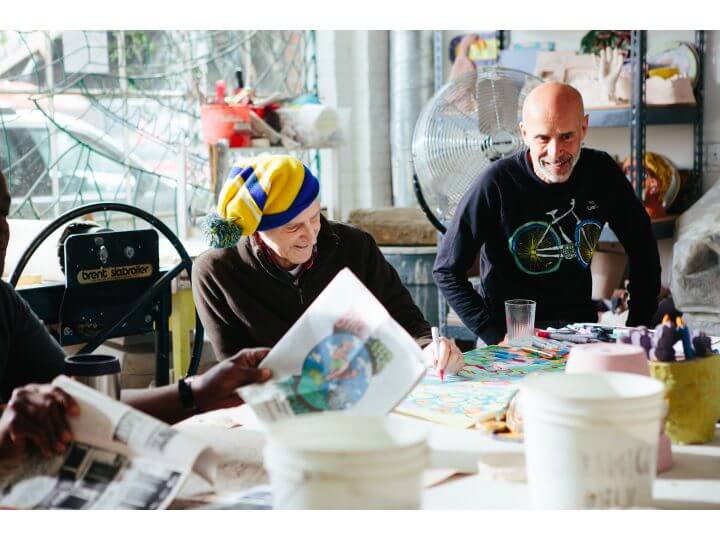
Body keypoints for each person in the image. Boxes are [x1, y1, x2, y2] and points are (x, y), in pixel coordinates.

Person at [0, 170, 272, 460]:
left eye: (3, 212)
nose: (2, 229)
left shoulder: (5, 305)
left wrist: (198, 392)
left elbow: (84, 405)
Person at [192, 154, 464, 378]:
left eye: (315, 217)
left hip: (364, 385)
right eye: (293, 227)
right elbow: (236, 370)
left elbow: (407, 321)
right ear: (258, 231)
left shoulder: (355, 247)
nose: (311, 236)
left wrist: (429, 349)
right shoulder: (217, 273)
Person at [433, 82, 661, 345]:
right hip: (512, 337)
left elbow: (643, 247)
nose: (555, 153)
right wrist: (495, 335)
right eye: (543, 138)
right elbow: (446, 270)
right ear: (524, 133)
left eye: (567, 136)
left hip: (579, 332)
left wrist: (637, 327)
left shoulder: (601, 173)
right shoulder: (496, 183)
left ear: (584, 128)